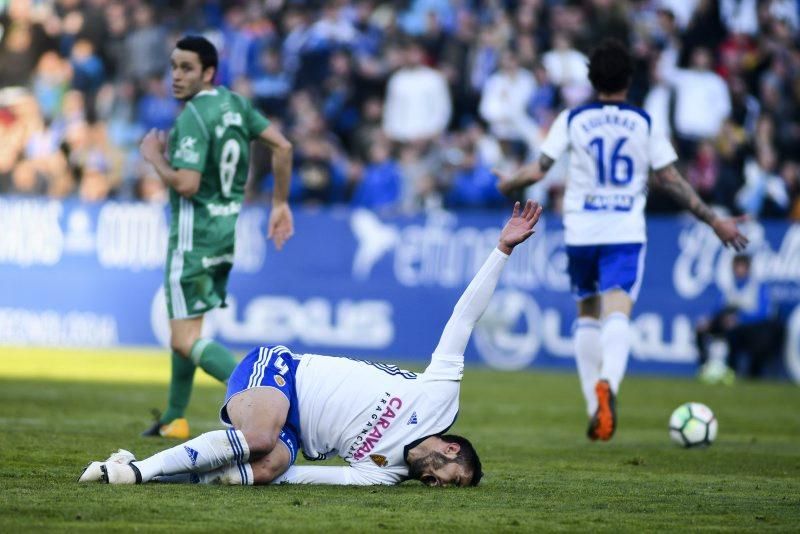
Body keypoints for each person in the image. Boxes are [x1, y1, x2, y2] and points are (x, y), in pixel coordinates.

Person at [79, 200, 542, 487]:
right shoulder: (440, 397)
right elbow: (464, 317)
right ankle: (139, 473)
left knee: (267, 467)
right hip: (283, 372)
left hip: (296, 435)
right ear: (451, 449)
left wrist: (250, 473)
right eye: (449, 479)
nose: (436, 485)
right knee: (258, 438)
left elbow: (304, 474)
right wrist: (501, 250)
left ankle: (138, 468)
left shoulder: (382, 476)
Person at [494, 39, 748, 442]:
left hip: (581, 230)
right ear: (629, 79)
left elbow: (539, 170)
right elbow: (669, 179)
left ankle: (594, 407)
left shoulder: (573, 119)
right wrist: (713, 219)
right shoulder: (644, 122)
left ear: (592, 79)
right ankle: (608, 383)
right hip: (624, 231)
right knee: (618, 310)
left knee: (587, 311)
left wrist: (509, 181)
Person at [138, 36, 294, 439]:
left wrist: (154, 157)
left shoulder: (193, 116)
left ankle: (271, 398)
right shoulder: (236, 104)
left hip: (192, 240)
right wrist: (280, 203)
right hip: (224, 237)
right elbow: (282, 145)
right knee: (188, 333)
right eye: (173, 66)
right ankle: (174, 417)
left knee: (185, 339)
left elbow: (187, 184)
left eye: (186, 68)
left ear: (208, 72)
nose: (176, 75)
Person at [696, 253, 784, 382]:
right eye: (736, 267)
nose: (738, 270)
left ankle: (734, 371)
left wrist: (741, 320)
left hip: (753, 329)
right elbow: (720, 309)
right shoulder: (730, 287)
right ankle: (707, 367)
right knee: (702, 329)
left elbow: (765, 314)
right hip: (732, 326)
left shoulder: (758, 287)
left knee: (736, 333)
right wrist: (709, 321)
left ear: (748, 269)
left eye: (741, 267)